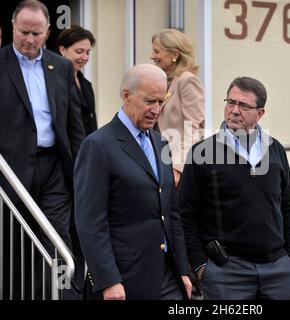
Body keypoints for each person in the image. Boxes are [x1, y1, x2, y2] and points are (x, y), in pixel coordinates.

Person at [74, 64, 192, 300]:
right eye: (150, 101)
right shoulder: (98, 145)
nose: (157, 110)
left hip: (168, 277)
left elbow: (171, 213)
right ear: (126, 95)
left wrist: (184, 270)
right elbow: (90, 221)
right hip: (125, 281)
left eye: (161, 102)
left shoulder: (161, 143)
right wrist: (108, 280)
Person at [179, 76, 290, 300]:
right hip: (227, 272)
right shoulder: (202, 153)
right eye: (230, 102)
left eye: (244, 105)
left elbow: (287, 205)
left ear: (260, 113)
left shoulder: (275, 150)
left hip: (280, 271)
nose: (234, 110)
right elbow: (185, 213)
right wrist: (200, 264)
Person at [0, 0, 84, 299]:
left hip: (54, 169)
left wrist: (79, 169)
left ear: (48, 32)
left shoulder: (60, 67)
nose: (29, 39)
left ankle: (59, 294)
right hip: (10, 171)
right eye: (24, 32)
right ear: (12, 27)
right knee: (13, 242)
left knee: (57, 239)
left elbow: (74, 124)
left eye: (36, 33)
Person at [151, 29, 205, 187]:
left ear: (174, 54)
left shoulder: (187, 81)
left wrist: (178, 169)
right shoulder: (166, 82)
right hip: (160, 160)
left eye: (156, 51)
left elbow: (194, 128)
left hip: (176, 166)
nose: (152, 56)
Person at [57, 25, 97, 136]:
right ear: (62, 50)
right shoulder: (55, 83)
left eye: (88, 52)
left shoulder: (86, 84)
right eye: (79, 51)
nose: (85, 57)